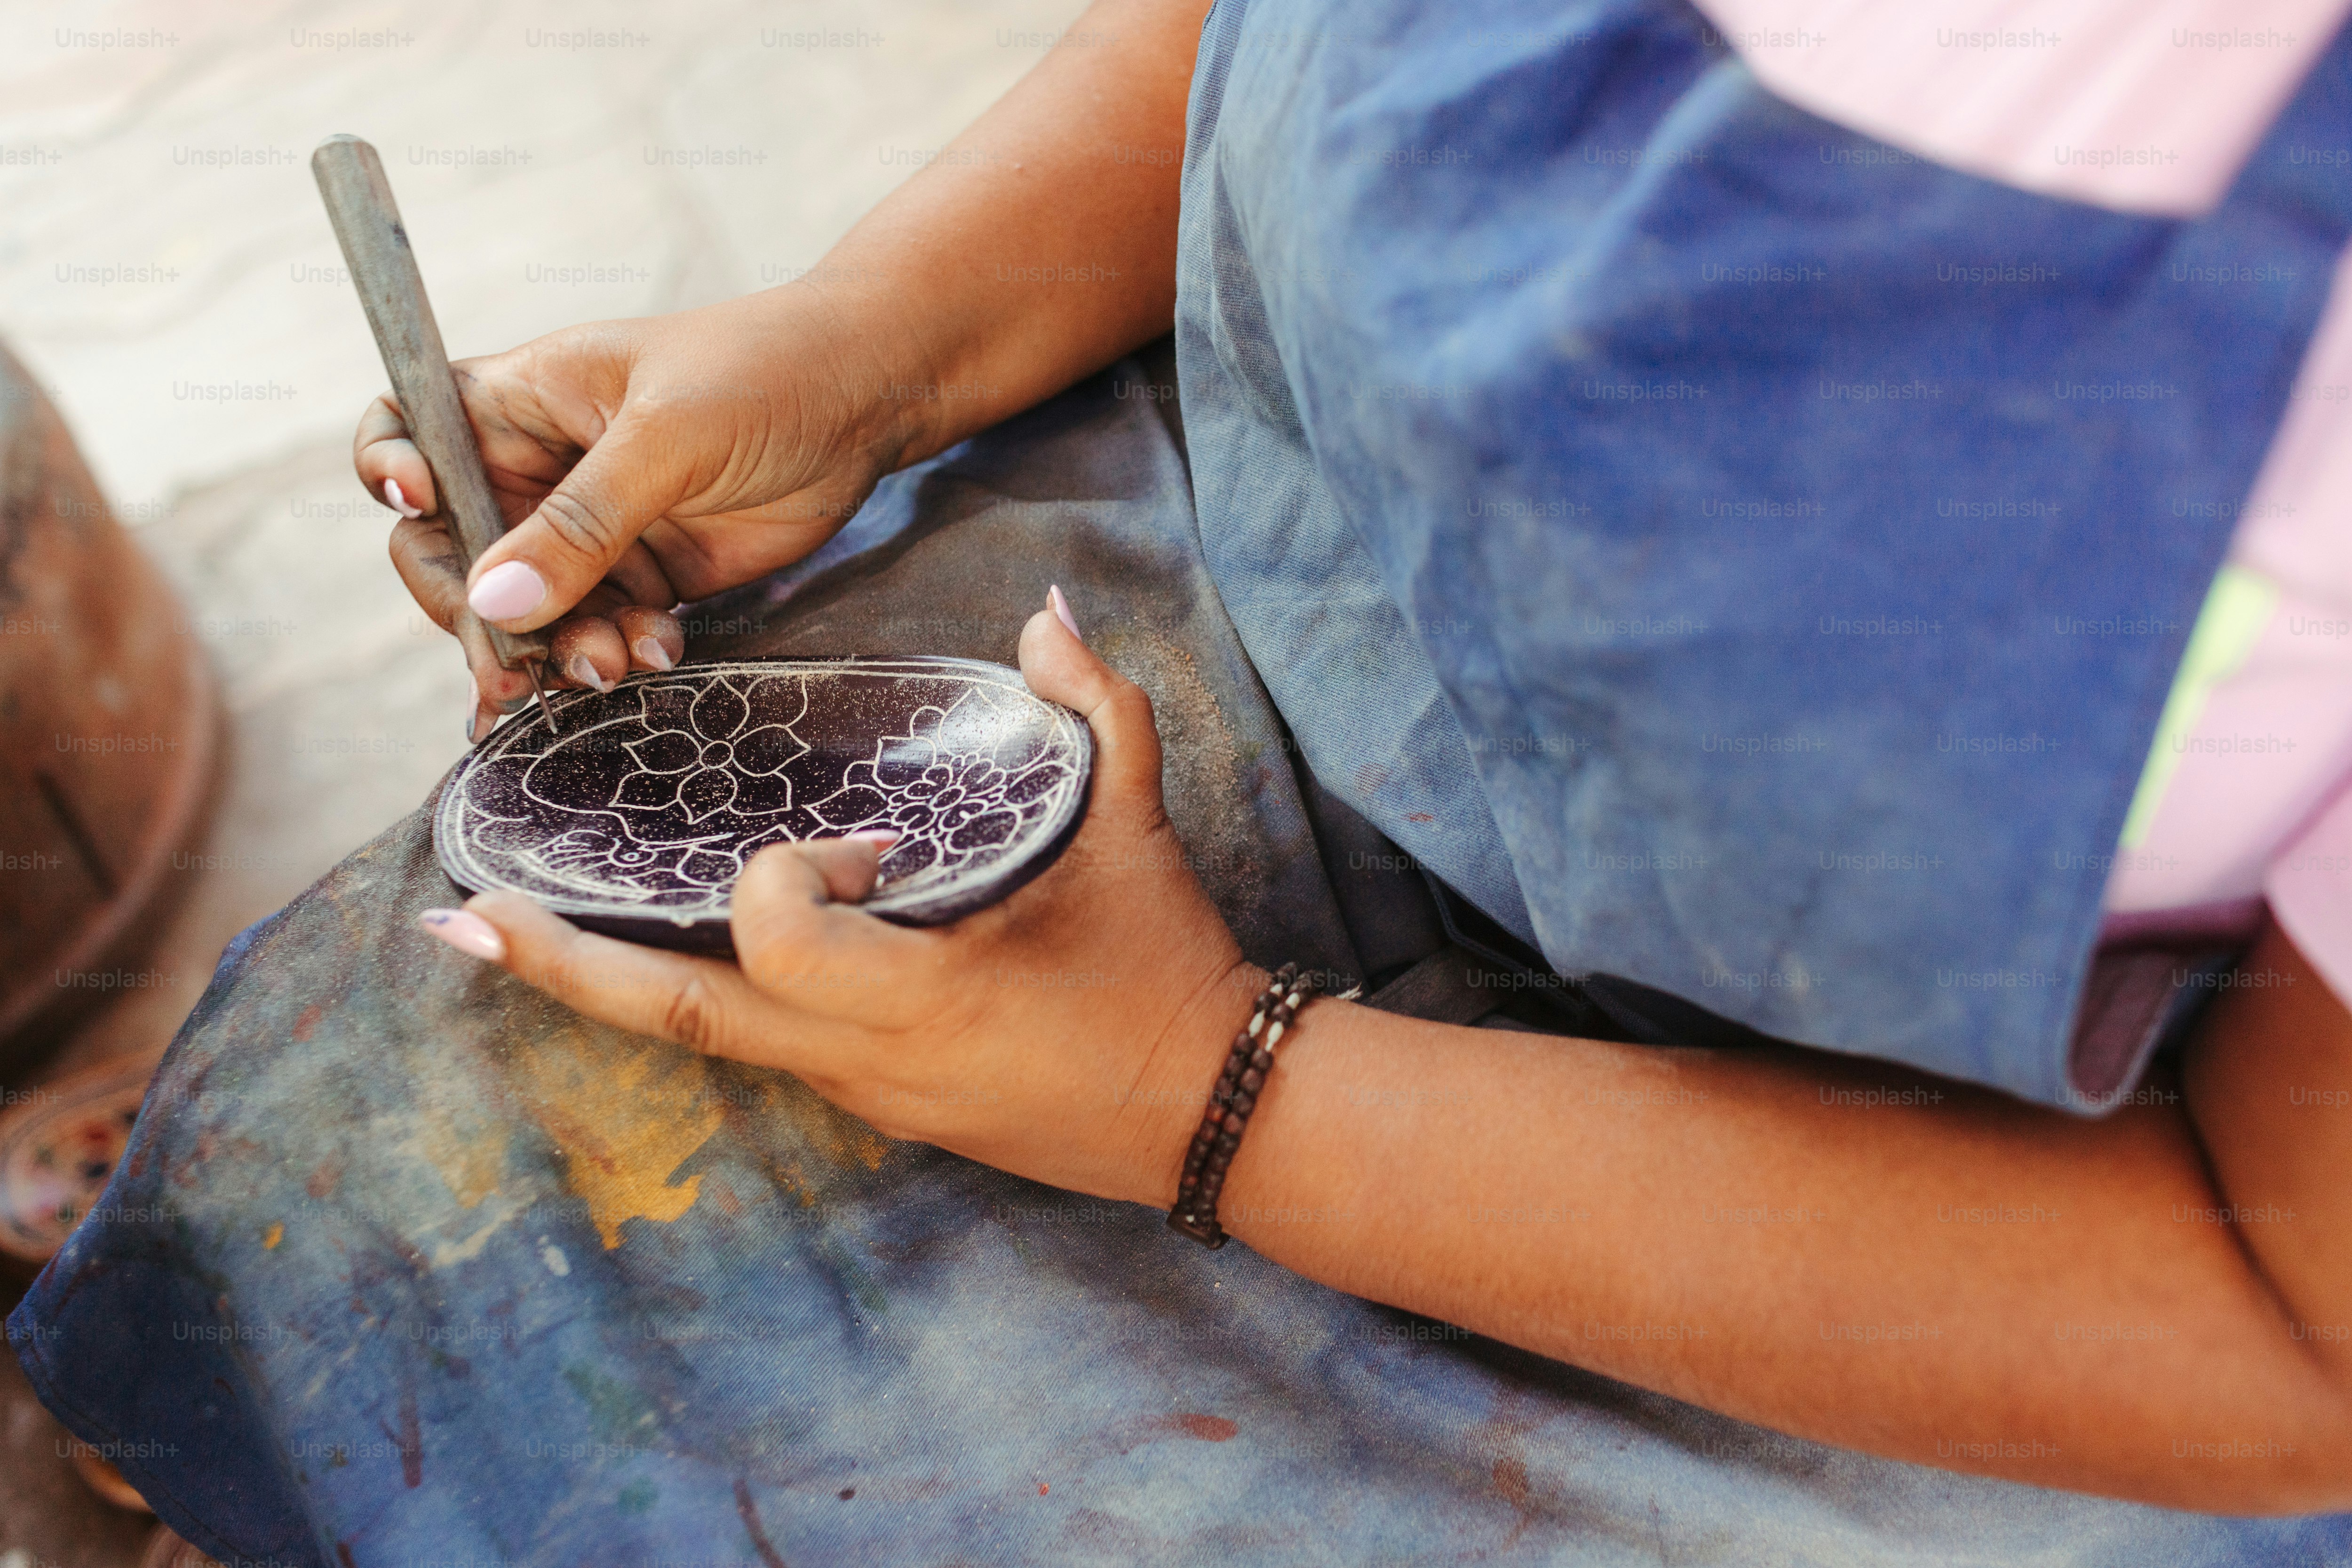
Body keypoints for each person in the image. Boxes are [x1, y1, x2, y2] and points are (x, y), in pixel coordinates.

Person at [16, 0, 2352, 1559]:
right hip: (1294, 578)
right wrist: (870, 344)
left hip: (1958, 1222)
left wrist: (1195, 1099)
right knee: (358, 1138)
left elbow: (2287, 1324)